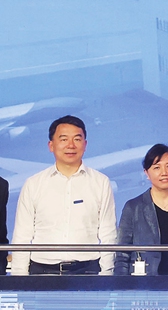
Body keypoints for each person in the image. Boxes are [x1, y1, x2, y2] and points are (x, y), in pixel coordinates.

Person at [10, 116, 116, 275]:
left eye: (77, 139)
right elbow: (22, 237)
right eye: (64, 139)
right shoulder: (33, 184)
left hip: (87, 272)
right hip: (42, 272)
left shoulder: (101, 182)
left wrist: (106, 275)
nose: (71, 145)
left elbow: (108, 234)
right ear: (51, 145)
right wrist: (19, 280)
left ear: (85, 145)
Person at [114, 144, 168, 275]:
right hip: (144, 288)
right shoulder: (133, 207)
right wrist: (123, 290)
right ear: (146, 173)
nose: (164, 172)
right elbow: (122, 256)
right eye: (156, 167)